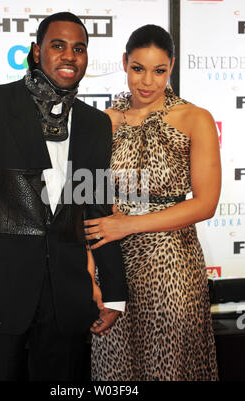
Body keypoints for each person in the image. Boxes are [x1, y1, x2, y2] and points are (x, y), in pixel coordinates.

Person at [0, 12, 127, 381]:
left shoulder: (95, 123)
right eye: (57, 45)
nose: (69, 56)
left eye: (79, 48)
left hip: (67, 298)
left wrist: (114, 292)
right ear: (35, 51)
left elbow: (96, 209)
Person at [84, 24, 221, 381]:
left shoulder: (195, 119)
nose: (147, 81)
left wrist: (127, 224)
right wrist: (90, 271)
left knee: (171, 368)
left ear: (171, 66)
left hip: (172, 263)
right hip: (113, 263)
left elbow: (206, 204)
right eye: (138, 68)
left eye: (159, 70)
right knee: (115, 369)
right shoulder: (103, 122)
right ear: (124, 63)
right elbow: (87, 202)